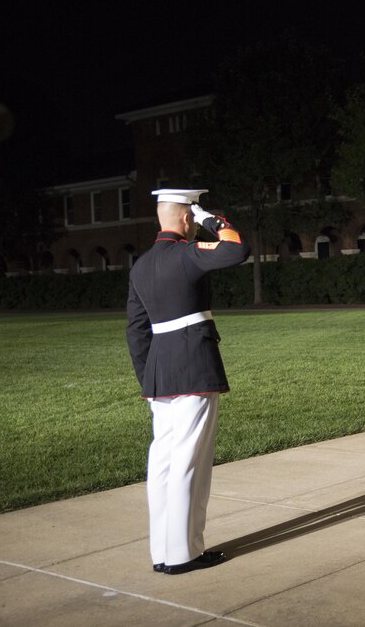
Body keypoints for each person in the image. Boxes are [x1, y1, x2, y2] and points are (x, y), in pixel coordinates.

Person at [126, 188, 251, 576]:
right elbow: (236, 250)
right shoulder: (188, 254)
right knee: (190, 462)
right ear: (186, 220)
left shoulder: (140, 266)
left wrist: (148, 378)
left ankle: (163, 550)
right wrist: (212, 219)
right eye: (193, 219)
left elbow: (136, 331)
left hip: (159, 370)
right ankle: (184, 554)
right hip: (194, 364)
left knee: (162, 461)